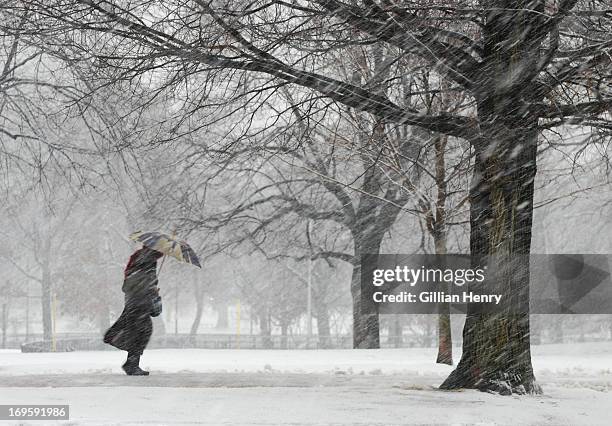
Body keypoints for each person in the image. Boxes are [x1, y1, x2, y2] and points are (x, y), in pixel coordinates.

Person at [104, 246, 163, 375]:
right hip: (139, 303)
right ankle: (131, 364)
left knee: (139, 333)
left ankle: (131, 363)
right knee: (141, 332)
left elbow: (129, 284)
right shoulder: (148, 260)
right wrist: (151, 287)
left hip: (135, 302)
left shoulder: (140, 259)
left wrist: (151, 286)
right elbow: (141, 282)